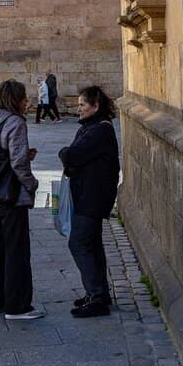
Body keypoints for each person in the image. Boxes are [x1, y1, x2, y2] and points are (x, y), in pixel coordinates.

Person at [0, 80, 43, 320]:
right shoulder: (15, 122)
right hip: (11, 197)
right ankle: (18, 306)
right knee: (17, 251)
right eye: (24, 97)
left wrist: (24, 154)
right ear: (14, 99)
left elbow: (0, 155)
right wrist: (32, 183)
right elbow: (17, 163)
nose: (27, 102)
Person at [58, 86, 121, 318]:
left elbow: (71, 156)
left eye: (83, 105)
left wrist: (66, 153)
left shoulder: (99, 131)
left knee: (79, 243)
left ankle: (97, 295)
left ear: (96, 106)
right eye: (78, 105)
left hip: (92, 197)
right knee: (92, 245)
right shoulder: (92, 128)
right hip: (89, 195)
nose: (79, 109)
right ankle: (99, 293)